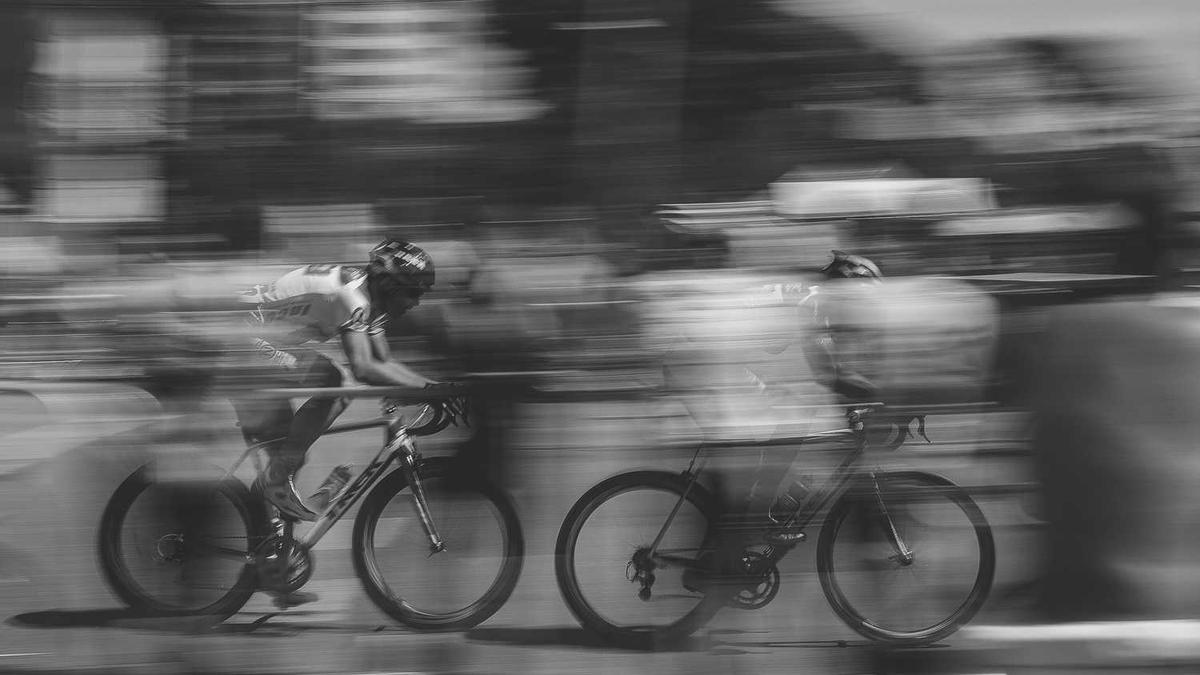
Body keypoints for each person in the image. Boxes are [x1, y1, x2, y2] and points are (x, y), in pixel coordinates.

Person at [231, 239, 446, 523]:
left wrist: (435, 389)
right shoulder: (352, 297)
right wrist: (430, 392)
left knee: (288, 450)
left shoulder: (369, 298)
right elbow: (364, 368)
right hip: (240, 340)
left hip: (255, 338)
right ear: (390, 285)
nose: (416, 302)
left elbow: (385, 362)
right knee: (338, 383)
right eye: (413, 293)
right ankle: (274, 484)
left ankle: (269, 550)